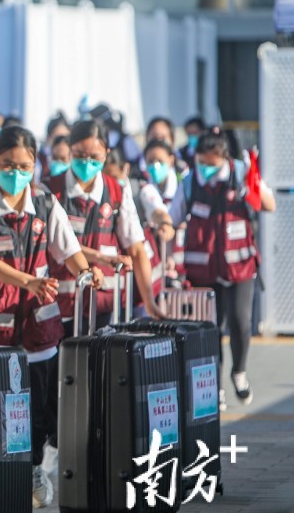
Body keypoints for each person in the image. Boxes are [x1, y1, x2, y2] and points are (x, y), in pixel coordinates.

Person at [0, 125, 103, 509]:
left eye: (23, 166)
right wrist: (29, 281)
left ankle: (34, 467)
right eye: (7, 165)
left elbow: (67, 249)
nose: (15, 173)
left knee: (36, 408)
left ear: (35, 165)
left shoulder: (45, 202)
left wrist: (87, 271)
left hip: (39, 330)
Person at [168, 127, 276, 407]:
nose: (205, 168)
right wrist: (167, 247)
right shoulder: (190, 182)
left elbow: (269, 204)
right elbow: (172, 219)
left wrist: (250, 186)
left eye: (211, 163)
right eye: (201, 162)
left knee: (240, 322)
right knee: (210, 329)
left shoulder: (242, 174)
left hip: (240, 267)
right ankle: (213, 386)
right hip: (202, 270)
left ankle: (239, 371)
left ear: (224, 158)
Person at [45, 119, 165, 329]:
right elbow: (53, 244)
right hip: (58, 306)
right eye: (80, 155)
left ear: (106, 154)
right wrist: (101, 258)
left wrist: (149, 301)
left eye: (94, 157)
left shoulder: (117, 192)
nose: (87, 162)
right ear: (70, 151)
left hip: (105, 305)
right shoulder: (50, 191)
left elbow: (136, 249)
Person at [103, 148, 170, 312]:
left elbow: (156, 210)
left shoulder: (139, 189)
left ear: (125, 169)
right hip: (117, 280)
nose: (112, 184)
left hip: (143, 280)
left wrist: (165, 223)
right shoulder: (102, 198)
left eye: (115, 178)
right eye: (107, 179)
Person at [143, 139, 186, 281]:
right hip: (156, 267)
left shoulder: (185, 184)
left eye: (160, 161)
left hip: (186, 266)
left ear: (171, 160)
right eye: (150, 161)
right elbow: (156, 212)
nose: (155, 166)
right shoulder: (144, 189)